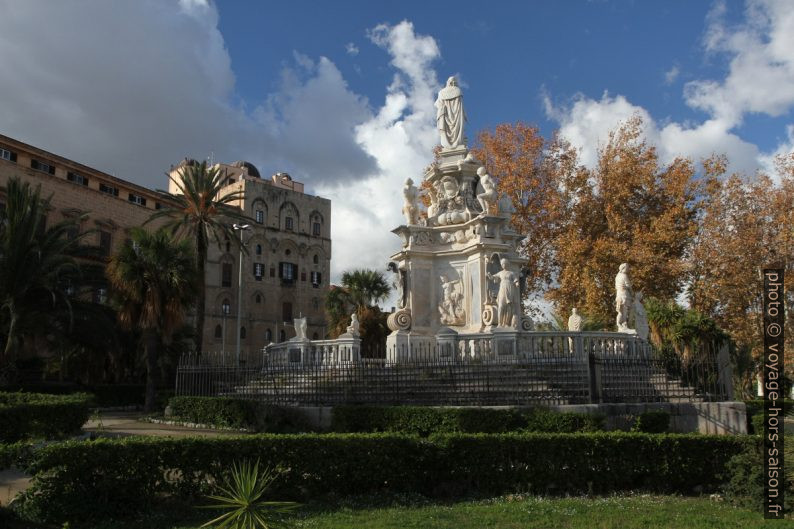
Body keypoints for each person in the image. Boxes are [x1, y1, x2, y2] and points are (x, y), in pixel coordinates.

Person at [435, 76, 466, 148]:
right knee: (457, 130)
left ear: (448, 82)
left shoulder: (441, 92)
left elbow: (438, 104)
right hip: (456, 117)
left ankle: (448, 143)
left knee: (445, 129)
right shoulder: (458, 91)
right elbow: (460, 107)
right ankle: (456, 142)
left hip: (445, 116)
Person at [488, 259, 520, 327]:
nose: (504, 265)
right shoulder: (500, 273)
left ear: (507, 264)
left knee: (509, 307)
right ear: (501, 265)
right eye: (502, 264)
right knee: (501, 306)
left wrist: (517, 283)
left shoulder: (511, 273)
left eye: (505, 263)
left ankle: (507, 323)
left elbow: (515, 280)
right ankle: (500, 323)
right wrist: (490, 275)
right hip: (502, 289)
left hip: (510, 289)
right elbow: (493, 277)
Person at [615, 263, 633, 332]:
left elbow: (616, 286)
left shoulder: (617, 276)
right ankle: (623, 323)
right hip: (624, 295)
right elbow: (629, 285)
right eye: (627, 268)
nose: (628, 269)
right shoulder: (624, 275)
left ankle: (619, 324)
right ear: (623, 268)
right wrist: (632, 293)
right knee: (624, 310)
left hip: (619, 294)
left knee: (621, 311)